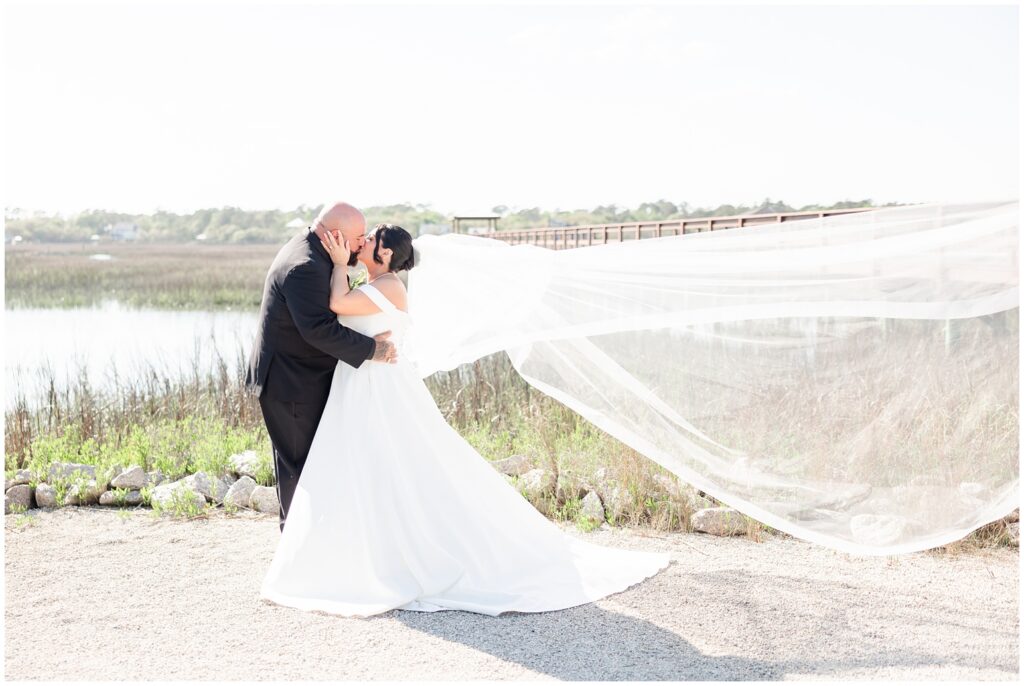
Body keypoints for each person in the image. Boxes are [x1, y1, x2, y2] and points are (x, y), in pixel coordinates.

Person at [259, 223, 671, 617]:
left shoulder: (390, 286)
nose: (361, 242)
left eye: (370, 240)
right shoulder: (373, 283)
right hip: (359, 383)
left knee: (392, 463)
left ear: (385, 254)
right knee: (367, 466)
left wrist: (335, 263)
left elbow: (336, 305)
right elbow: (348, 308)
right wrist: (347, 270)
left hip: (377, 388)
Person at [245, 202, 397, 533]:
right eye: (359, 237)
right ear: (337, 235)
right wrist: (374, 349)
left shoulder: (314, 249)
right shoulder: (305, 266)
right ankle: (297, 549)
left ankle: (313, 545)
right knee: (300, 471)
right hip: (291, 383)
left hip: (302, 377)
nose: (361, 244)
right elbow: (317, 330)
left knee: (313, 465)